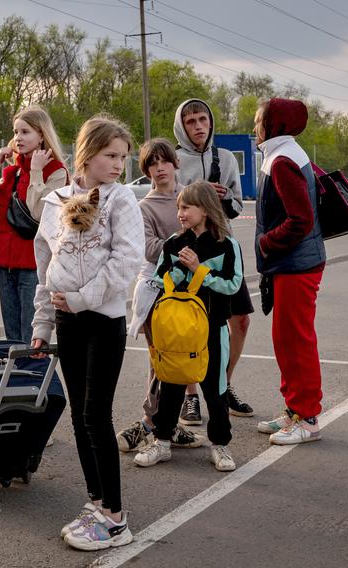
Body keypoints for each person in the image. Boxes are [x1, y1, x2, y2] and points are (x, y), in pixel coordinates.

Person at [30, 115, 143, 551]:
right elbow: (46, 268)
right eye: (110, 155)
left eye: (122, 157)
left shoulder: (121, 200)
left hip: (102, 319)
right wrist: (42, 324)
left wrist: (82, 298)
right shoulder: (57, 201)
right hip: (66, 321)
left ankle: (116, 518)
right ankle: (96, 503)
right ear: (86, 154)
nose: (118, 164)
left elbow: (126, 261)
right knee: (78, 415)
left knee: (97, 414)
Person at [133, 181, 242, 472]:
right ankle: (163, 441)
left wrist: (199, 271)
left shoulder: (227, 245)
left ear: (205, 209)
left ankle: (220, 445)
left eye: (186, 207)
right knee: (170, 386)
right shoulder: (172, 243)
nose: (179, 212)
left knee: (214, 390)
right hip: (176, 331)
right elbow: (159, 279)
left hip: (212, 329)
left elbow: (232, 285)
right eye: (178, 207)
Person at [116, 138, 205, 452]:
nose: (159, 168)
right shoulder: (145, 207)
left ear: (175, 162)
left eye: (163, 161)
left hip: (192, 292)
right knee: (162, 362)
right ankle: (148, 423)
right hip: (157, 291)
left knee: (183, 361)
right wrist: (187, 241)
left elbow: (213, 235)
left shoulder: (194, 195)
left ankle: (165, 425)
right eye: (152, 163)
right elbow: (151, 249)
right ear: (146, 170)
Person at [173, 98, 254, 426]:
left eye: (202, 119)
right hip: (191, 251)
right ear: (182, 125)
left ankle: (224, 384)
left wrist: (221, 199)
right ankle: (191, 396)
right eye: (190, 121)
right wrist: (198, 194)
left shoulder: (225, 158)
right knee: (194, 324)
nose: (198, 126)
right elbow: (172, 201)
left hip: (223, 249)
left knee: (240, 321)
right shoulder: (175, 159)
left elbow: (237, 203)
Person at [252, 98, 327, 446]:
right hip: (292, 263)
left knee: (296, 340)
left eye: (259, 120)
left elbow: (301, 220)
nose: (255, 126)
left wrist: (267, 242)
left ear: (274, 124)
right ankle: (294, 409)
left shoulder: (282, 160)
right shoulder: (284, 153)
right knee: (285, 339)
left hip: (296, 264)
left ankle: (307, 417)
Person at [0, 105, 68, 345]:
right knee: (12, 337)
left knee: (30, 336)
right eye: (16, 132)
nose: (17, 138)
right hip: (5, 264)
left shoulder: (56, 172)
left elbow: (40, 213)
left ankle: (34, 379)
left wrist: (36, 172)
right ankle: (15, 380)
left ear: (42, 135)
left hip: (34, 264)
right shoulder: (11, 172)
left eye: (25, 132)